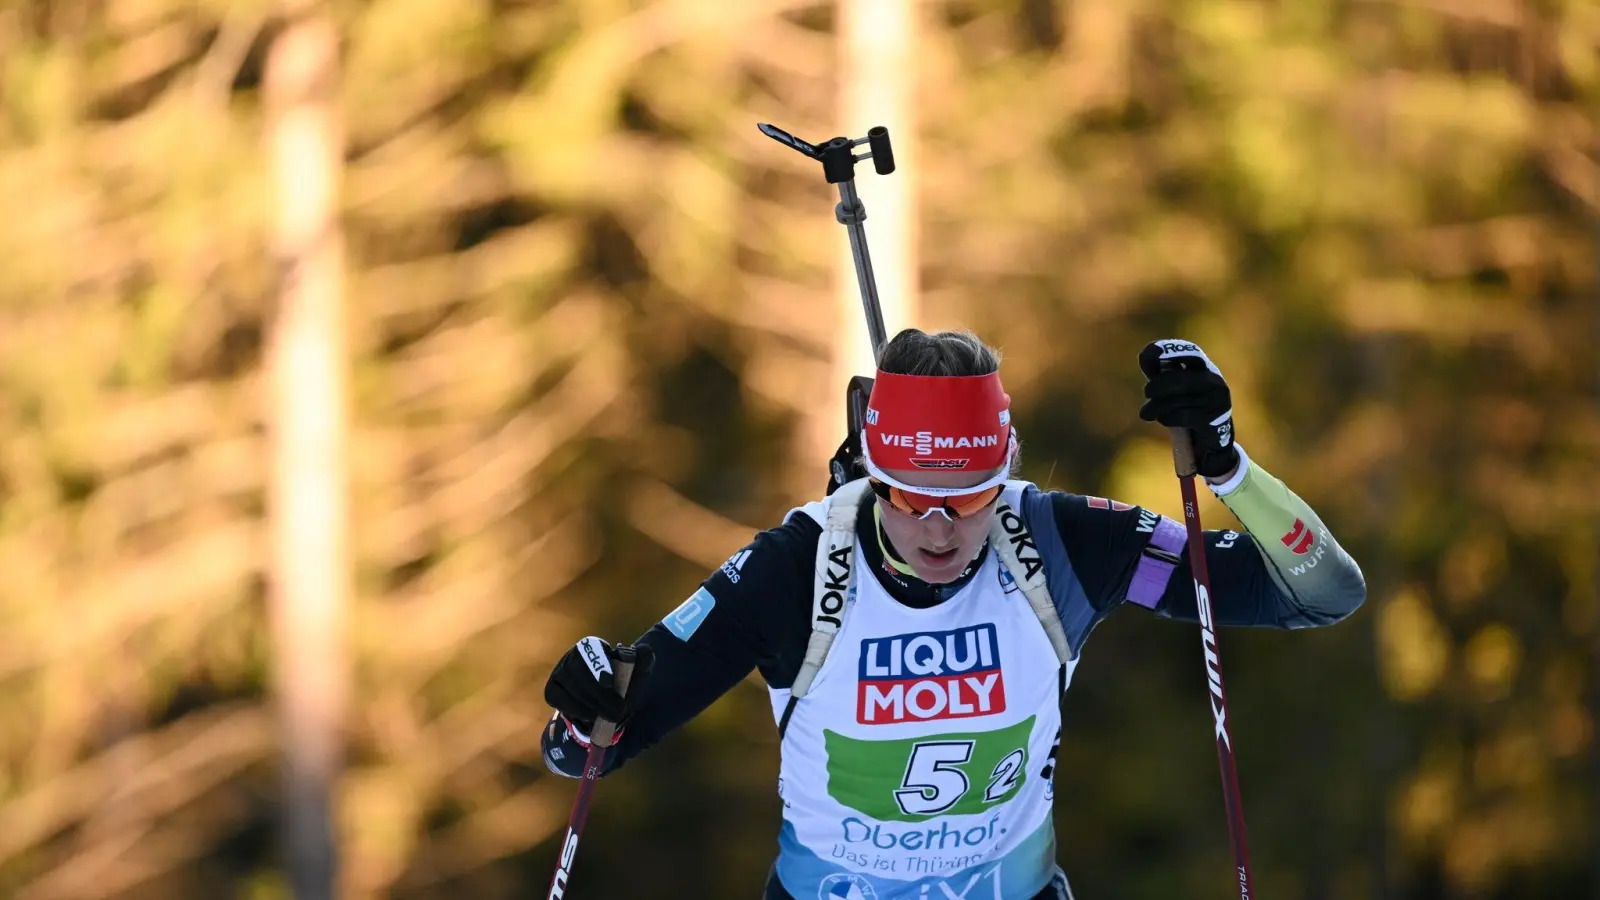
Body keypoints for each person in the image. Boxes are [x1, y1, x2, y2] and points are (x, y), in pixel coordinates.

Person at [541, 329, 1365, 900]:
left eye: (969, 497)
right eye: (910, 495)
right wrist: (586, 702)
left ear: (1001, 474)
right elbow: (588, 749)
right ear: (869, 470)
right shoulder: (795, 569)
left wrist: (1227, 465)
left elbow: (1320, 594)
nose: (940, 527)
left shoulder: (1059, 541)